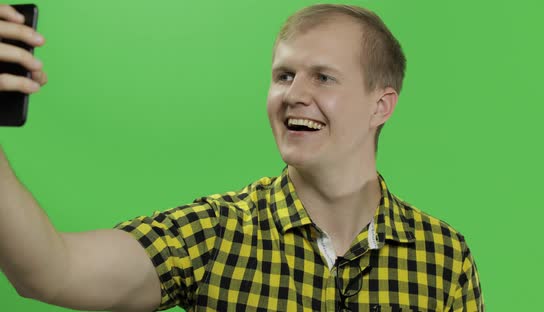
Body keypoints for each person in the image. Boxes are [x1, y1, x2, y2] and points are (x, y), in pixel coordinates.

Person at [0, 3, 484, 311]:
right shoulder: (214, 233)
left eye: (323, 77)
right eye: (283, 75)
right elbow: (51, 271)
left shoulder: (445, 257)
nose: (294, 94)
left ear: (381, 104)